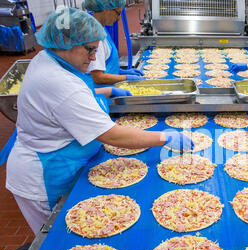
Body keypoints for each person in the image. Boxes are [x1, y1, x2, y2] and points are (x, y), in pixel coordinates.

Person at [5, 7, 193, 234]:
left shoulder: (50, 58)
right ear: (67, 42)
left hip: (63, 158)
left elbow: (72, 98)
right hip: (45, 174)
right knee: (65, 236)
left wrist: (107, 91)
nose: (94, 58)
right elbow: (111, 135)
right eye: (90, 50)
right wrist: (164, 137)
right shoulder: (57, 81)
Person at [83, 0, 144, 87]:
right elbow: (98, 77)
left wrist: (119, 71)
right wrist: (126, 78)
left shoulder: (102, 29)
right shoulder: (95, 36)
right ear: (106, 9)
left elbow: (106, 64)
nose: (119, 18)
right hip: (102, 94)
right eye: (118, 13)